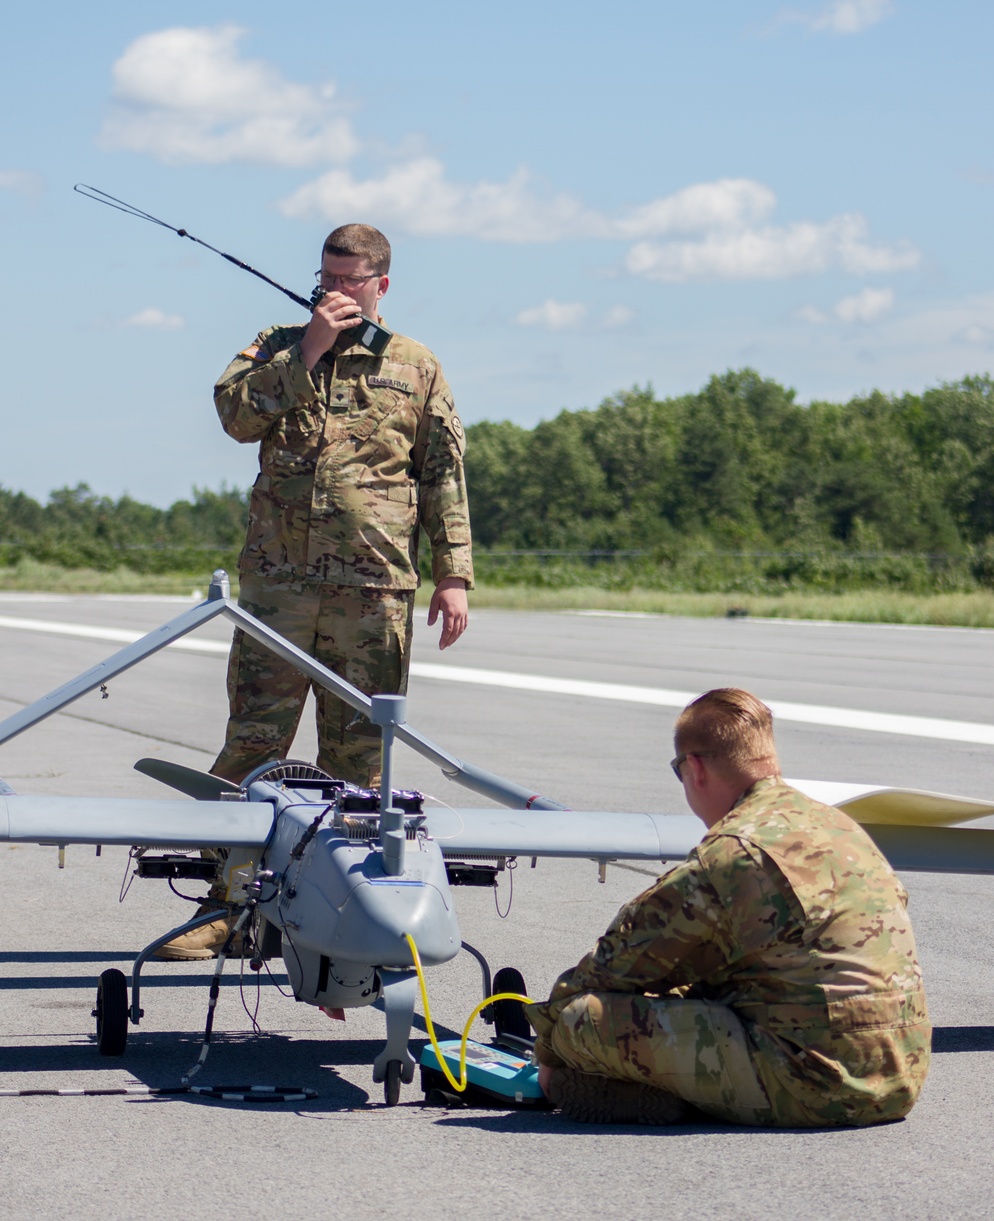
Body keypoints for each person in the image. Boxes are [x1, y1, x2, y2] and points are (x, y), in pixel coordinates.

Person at [156, 223, 473, 961]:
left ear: (381, 286)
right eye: (326, 278)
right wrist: (309, 351)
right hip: (281, 592)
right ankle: (226, 906)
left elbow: (442, 474)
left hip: (373, 595)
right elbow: (235, 416)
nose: (334, 292)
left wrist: (453, 572)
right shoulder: (278, 344)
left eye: (350, 281)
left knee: (358, 769)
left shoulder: (416, 366)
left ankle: (337, 923)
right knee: (252, 748)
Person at [526, 688, 931, 1127]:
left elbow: (615, 964)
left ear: (695, 769)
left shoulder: (730, 853)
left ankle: (625, 1092)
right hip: (899, 1078)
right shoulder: (840, 826)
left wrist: (550, 1046)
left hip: (815, 1087)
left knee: (579, 1020)